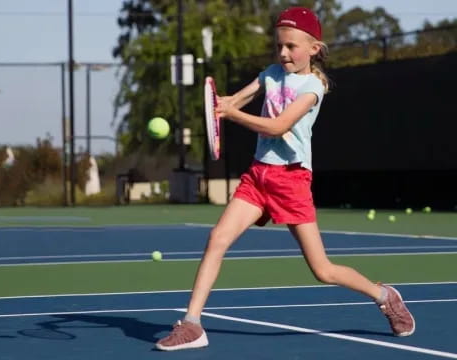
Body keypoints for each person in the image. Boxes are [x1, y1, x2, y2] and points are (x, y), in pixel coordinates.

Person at [156, 6, 415, 351]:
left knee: (322, 270)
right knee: (217, 238)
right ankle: (192, 325)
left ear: (314, 48)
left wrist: (232, 114)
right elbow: (235, 99)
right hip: (258, 176)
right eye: (279, 45)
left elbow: (278, 127)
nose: (283, 53)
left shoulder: (312, 88)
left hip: (291, 181)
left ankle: (384, 294)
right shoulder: (270, 73)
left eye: (291, 46)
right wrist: (222, 104)